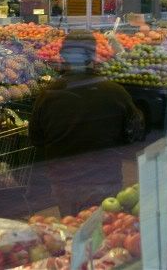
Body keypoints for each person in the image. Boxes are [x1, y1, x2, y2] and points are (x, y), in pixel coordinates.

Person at [29, 30, 141, 216]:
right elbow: (135, 134)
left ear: (63, 56)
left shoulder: (48, 95)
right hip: (104, 179)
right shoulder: (115, 92)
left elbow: (36, 139)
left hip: (64, 181)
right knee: (104, 229)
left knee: (71, 226)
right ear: (94, 56)